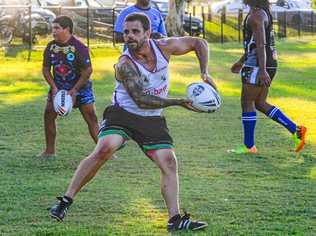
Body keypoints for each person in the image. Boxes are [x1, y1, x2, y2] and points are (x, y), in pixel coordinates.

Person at [50, 13, 217, 232]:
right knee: (105, 148)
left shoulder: (164, 47)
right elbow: (141, 99)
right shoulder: (124, 64)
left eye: (135, 31)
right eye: (126, 32)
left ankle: (175, 219)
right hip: (123, 114)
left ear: (147, 33)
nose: (129, 36)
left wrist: (204, 72)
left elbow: (199, 42)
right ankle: (65, 201)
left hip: (152, 118)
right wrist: (179, 101)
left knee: (169, 162)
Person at [229, 0, 306, 154]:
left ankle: (249, 146)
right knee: (259, 102)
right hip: (267, 63)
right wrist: (240, 61)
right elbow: (254, 44)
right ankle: (296, 130)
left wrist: (262, 70)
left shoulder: (256, 15)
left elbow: (261, 45)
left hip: (258, 65)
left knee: (247, 102)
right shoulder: (262, 12)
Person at [40, 15, 99, 157]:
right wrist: (54, 88)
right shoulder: (50, 47)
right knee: (48, 115)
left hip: (81, 88)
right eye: (52, 28)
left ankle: (104, 151)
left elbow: (88, 71)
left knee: (91, 118)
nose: (53, 31)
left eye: (56, 28)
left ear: (67, 29)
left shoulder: (79, 47)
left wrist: (75, 90)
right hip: (58, 88)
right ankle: (49, 151)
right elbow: (46, 69)